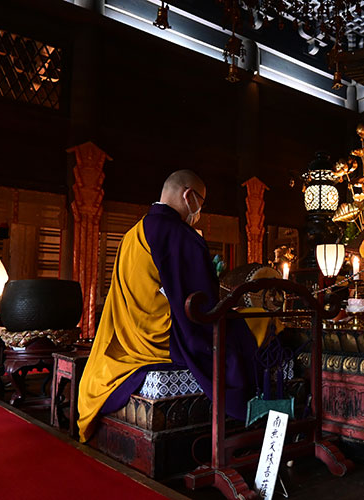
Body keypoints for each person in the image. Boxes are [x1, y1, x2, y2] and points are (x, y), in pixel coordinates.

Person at [77, 170, 257, 442]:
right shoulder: (179, 234)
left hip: (130, 340)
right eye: (200, 204)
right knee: (259, 319)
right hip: (163, 341)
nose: (198, 212)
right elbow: (200, 307)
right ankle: (261, 404)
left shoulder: (133, 233)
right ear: (189, 196)